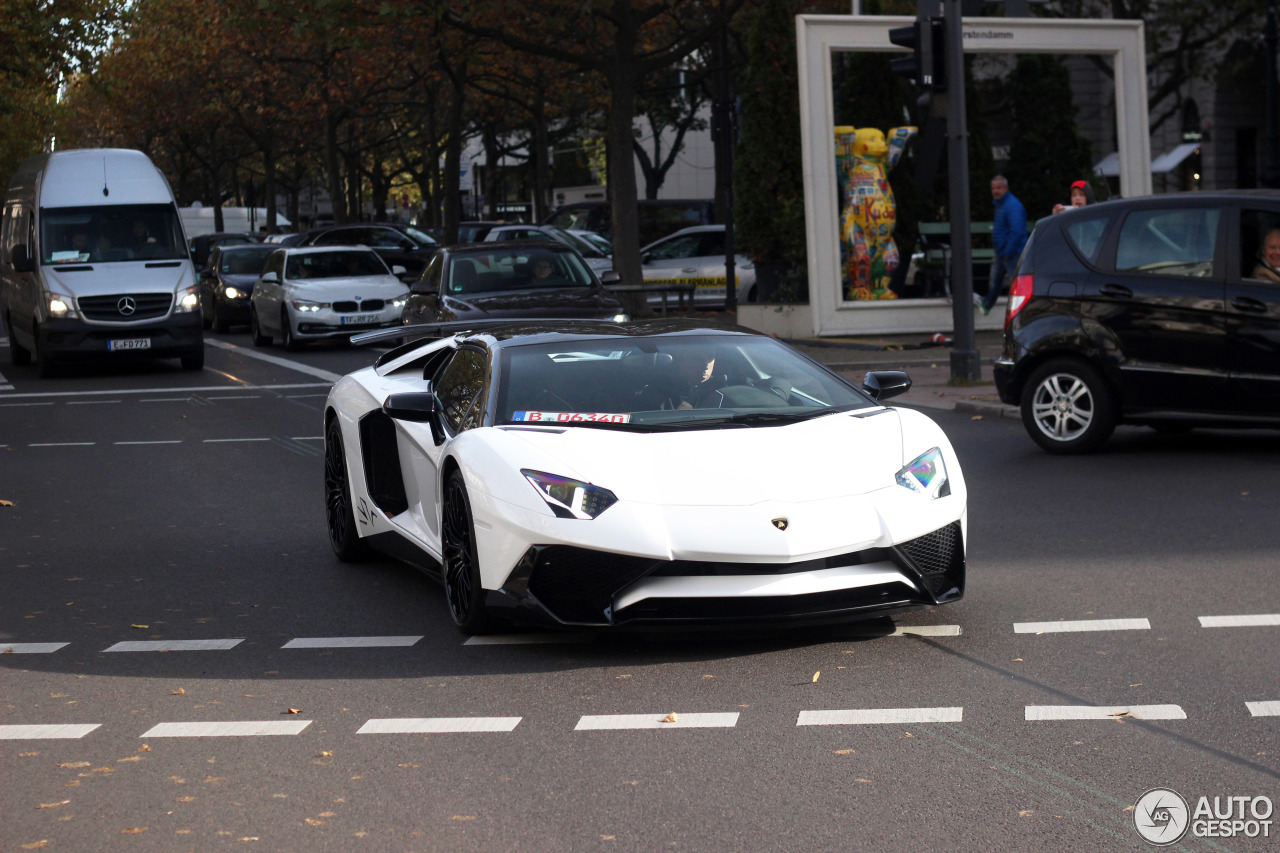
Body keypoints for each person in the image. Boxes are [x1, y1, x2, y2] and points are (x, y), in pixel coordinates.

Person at [980, 175, 1028, 316]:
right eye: (993, 188)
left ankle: (1023, 312)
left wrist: (1008, 251)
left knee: (1018, 283)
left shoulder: (1012, 206)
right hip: (1004, 251)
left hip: (1012, 252)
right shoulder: (1001, 204)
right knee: (996, 281)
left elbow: (1017, 231)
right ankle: (986, 305)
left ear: (1006, 188)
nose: (996, 191)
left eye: (999, 188)